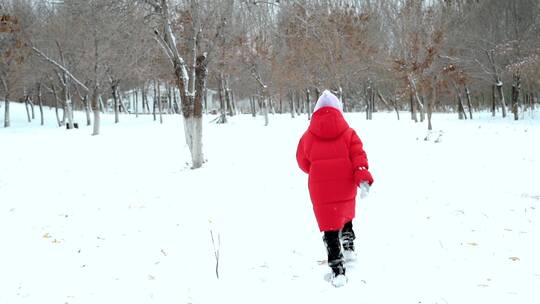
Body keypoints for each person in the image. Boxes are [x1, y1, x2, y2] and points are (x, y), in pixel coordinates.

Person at [296, 90, 374, 283]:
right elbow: (359, 157)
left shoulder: (308, 136)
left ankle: (338, 270)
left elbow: (302, 161)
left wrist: (317, 170)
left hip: (320, 188)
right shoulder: (349, 133)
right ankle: (348, 246)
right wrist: (362, 177)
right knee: (345, 215)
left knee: (329, 226)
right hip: (345, 183)